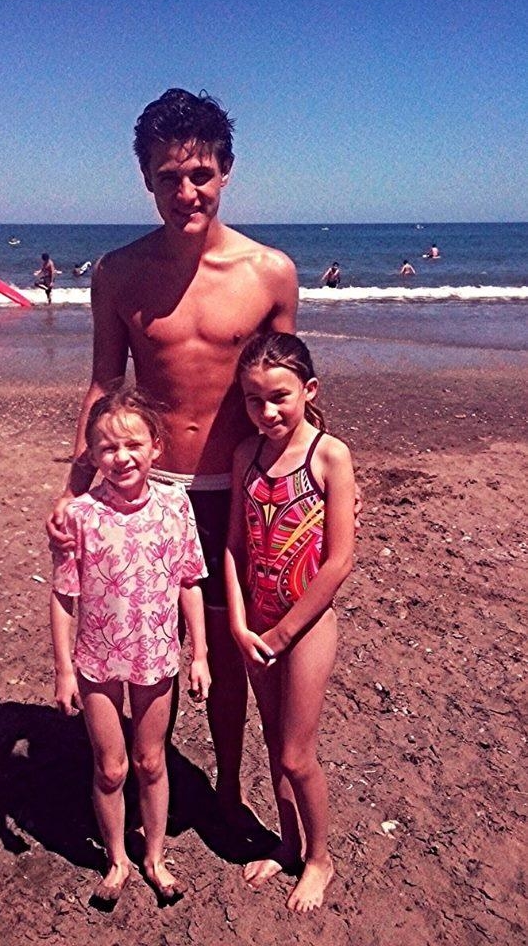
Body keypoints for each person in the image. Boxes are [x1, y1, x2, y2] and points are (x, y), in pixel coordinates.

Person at [47, 88, 299, 822]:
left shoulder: (269, 273)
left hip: (237, 487)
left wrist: (313, 479)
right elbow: (104, 382)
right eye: (167, 177)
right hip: (147, 490)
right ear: (146, 179)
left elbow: (285, 390)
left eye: (200, 174)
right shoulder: (118, 273)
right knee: (135, 642)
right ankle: (145, 772)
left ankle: (228, 786)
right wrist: (74, 487)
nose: (185, 192)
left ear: (226, 171)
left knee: (228, 647)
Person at [50, 386, 211, 903]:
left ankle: (155, 857)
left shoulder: (175, 505)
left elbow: (189, 581)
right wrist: (64, 670)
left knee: (150, 762)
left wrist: (200, 654)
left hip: (157, 655)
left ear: (155, 447)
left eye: (133, 445)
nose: (121, 457)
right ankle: (117, 858)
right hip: (96, 659)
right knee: (111, 767)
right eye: (107, 448)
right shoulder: (80, 515)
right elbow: (63, 596)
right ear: (93, 455)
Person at [225, 332, 355, 913]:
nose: (267, 411)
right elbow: (233, 547)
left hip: (305, 628)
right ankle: (288, 842)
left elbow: (338, 561)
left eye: (279, 397)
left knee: (299, 755)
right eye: (254, 400)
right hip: (257, 624)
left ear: (309, 390)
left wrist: (282, 634)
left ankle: (320, 858)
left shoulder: (329, 456)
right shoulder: (244, 456)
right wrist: (238, 621)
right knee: (275, 744)